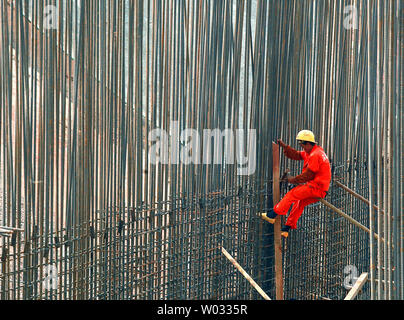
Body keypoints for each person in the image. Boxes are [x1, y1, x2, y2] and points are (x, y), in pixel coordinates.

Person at [264, 130, 331, 238]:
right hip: (322, 189)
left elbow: (309, 175)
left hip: (316, 188)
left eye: (303, 144)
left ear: (308, 143)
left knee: (292, 194)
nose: (302, 147)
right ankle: (287, 228)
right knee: (300, 202)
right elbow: (297, 155)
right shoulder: (315, 151)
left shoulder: (315, 155)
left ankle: (272, 214)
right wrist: (285, 147)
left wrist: (293, 180)